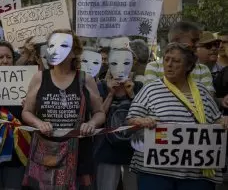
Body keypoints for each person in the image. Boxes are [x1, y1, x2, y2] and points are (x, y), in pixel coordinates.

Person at [127, 43, 226, 188]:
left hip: (196, 175)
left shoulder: (202, 91)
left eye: (176, 61)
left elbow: (217, 121)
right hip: (155, 173)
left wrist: (224, 122)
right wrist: (141, 121)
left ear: (188, 66)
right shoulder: (150, 89)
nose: (169, 65)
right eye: (166, 60)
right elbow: (130, 120)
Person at [21, 29, 105, 189]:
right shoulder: (39, 77)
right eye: (52, 45)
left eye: (64, 45)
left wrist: (92, 124)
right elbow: (27, 111)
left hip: (79, 154)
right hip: (46, 154)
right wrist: (38, 123)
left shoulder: (85, 79)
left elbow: (99, 112)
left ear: (74, 52)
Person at [95, 48, 142, 190]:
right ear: (108, 64)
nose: (120, 67)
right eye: (115, 62)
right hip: (107, 150)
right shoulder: (101, 86)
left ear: (133, 63)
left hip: (133, 150)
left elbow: (142, 116)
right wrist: (110, 95)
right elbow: (98, 117)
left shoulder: (139, 87)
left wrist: (132, 94)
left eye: (126, 62)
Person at [0, 40, 28, 190]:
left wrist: (29, 105)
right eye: (0, 57)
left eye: (9, 57)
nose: (5, 61)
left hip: (16, 154)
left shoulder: (25, 83)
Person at [143, 22, 214, 94]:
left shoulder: (202, 69)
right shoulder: (154, 67)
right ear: (176, 41)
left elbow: (207, 98)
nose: (197, 44)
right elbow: (152, 96)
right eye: (193, 40)